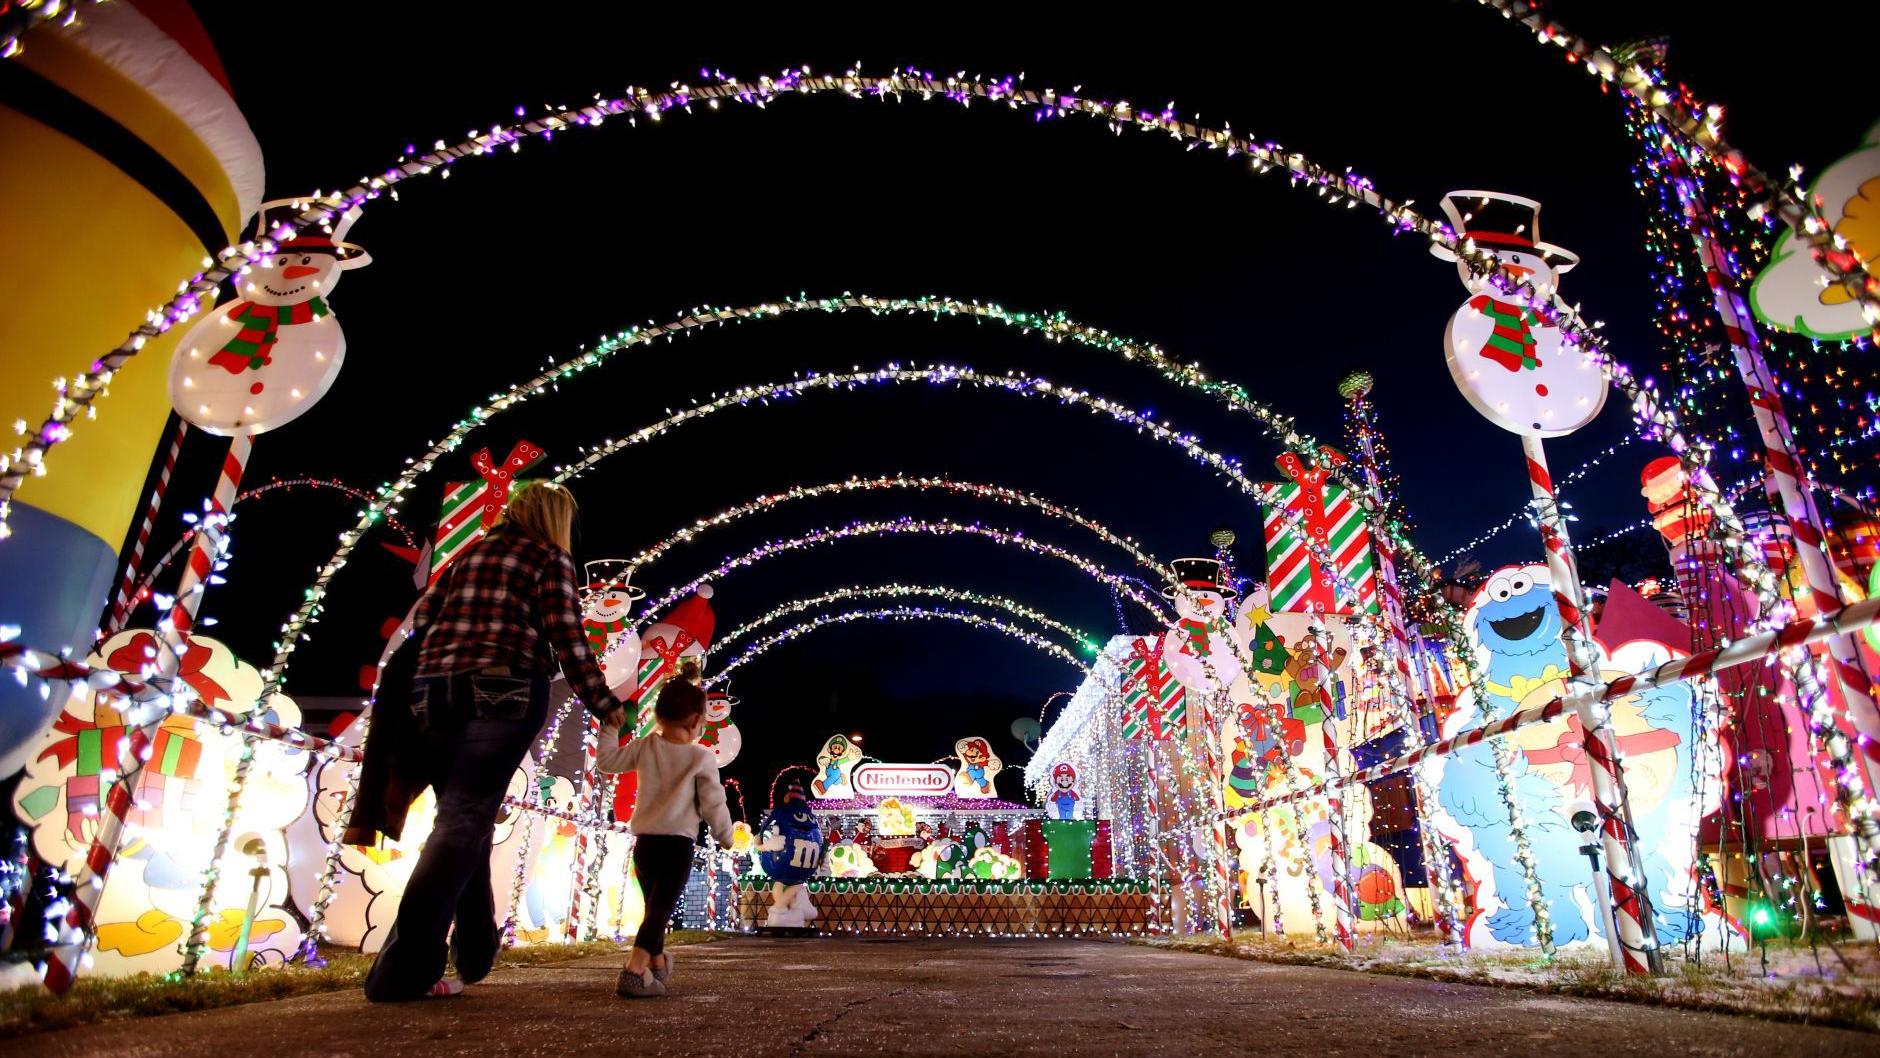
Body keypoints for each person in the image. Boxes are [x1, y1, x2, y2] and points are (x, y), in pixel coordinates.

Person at [362, 481, 628, 1002]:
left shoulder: (469, 554)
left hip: (433, 694)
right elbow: (567, 635)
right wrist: (604, 702)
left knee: (465, 820)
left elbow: (424, 620)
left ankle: (475, 947)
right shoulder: (548, 557)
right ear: (554, 519)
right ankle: (403, 968)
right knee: (464, 820)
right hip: (504, 688)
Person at [595, 660, 733, 998]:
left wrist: (610, 727)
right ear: (697, 720)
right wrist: (725, 835)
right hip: (677, 845)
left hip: (645, 843)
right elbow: (713, 802)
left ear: (658, 715)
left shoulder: (646, 746)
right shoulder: (700, 757)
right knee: (660, 909)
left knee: (654, 908)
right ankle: (634, 970)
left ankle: (656, 963)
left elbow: (607, 762)